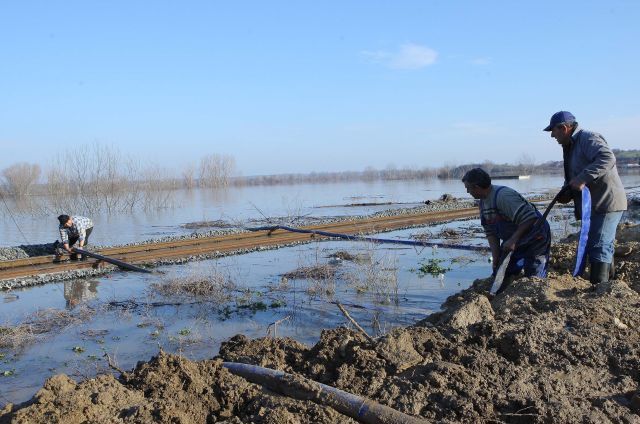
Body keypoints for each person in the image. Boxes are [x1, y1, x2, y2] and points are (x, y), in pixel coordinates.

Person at [544, 111, 627, 285]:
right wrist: (566, 192)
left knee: (599, 245)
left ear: (564, 128)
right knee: (599, 244)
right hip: (594, 206)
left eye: (553, 130)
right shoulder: (570, 146)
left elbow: (607, 158)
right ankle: (608, 285)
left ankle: (600, 289)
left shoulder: (588, 138)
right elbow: (573, 177)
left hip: (606, 202)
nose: (552, 135)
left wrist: (582, 178)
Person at [462, 168, 551, 280]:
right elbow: (490, 232)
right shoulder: (483, 204)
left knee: (534, 276)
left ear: (476, 187)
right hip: (515, 239)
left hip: (536, 236)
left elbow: (530, 218)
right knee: (502, 273)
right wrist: (496, 256)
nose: (467, 192)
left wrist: (513, 240)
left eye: (468, 188)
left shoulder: (503, 197)